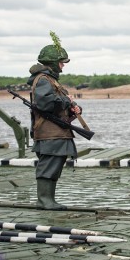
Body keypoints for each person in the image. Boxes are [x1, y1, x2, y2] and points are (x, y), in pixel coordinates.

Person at [27, 33, 80, 210]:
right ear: (52, 63)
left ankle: (48, 200)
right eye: (61, 62)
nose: (63, 66)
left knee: (54, 165)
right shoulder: (43, 80)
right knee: (48, 165)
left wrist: (73, 107)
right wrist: (66, 101)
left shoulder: (50, 80)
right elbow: (46, 103)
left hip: (55, 131)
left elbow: (56, 103)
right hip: (49, 132)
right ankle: (44, 201)